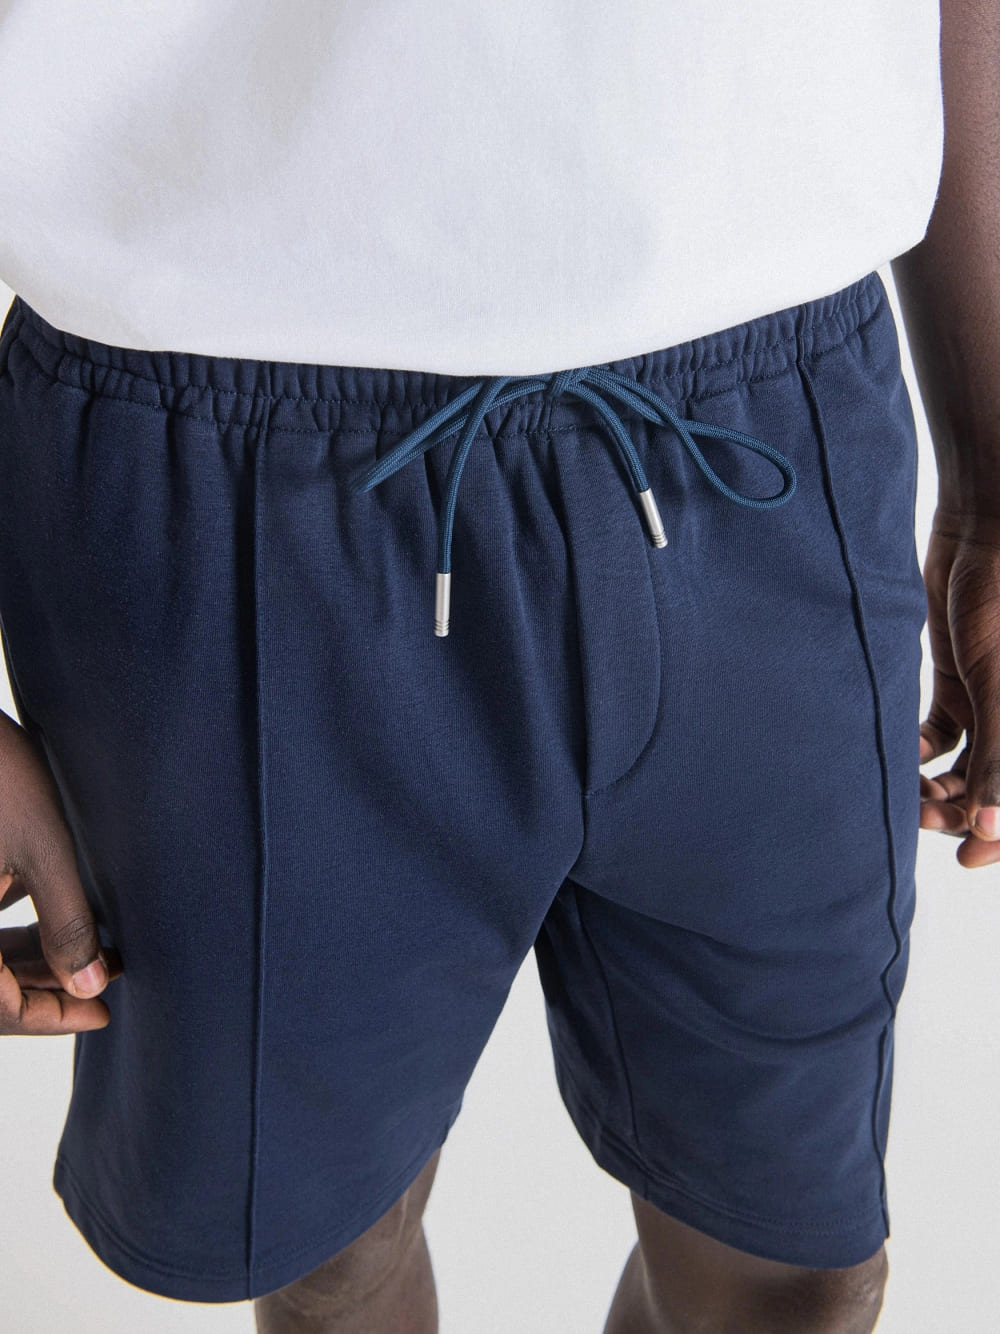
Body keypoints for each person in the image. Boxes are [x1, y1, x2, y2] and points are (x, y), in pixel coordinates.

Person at [0, 2, 992, 1331]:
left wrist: (993, 465)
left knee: (801, 1265)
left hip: (766, 415)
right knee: (327, 1250)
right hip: (231, 448)